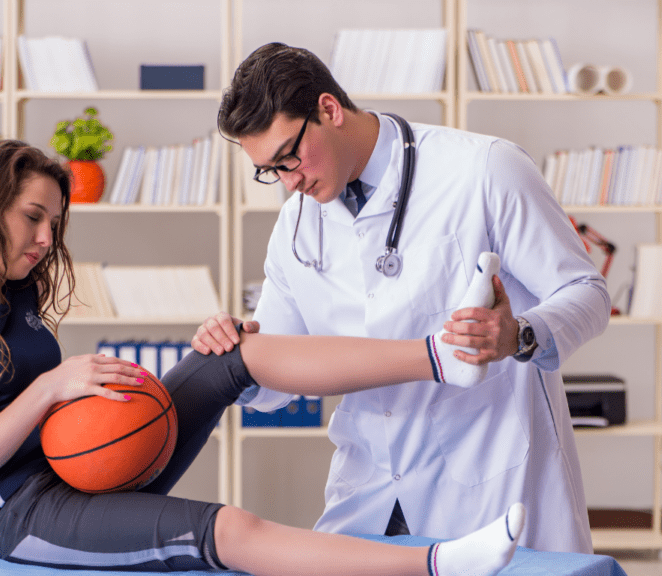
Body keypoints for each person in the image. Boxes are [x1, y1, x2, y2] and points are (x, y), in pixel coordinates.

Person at [0, 139, 526, 576]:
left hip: (84, 464)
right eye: (32, 217)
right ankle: (439, 564)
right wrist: (51, 389)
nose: (47, 238)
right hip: (30, 515)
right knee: (230, 527)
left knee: (233, 353)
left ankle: (442, 355)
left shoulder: (10, 288)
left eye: (56, 222)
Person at [196, 42, 612, 554]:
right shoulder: (295, 227)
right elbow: (276, 382)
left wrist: (521, 334)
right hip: (368, 483)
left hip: (489, 476)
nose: (289, 183)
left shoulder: (483, 168)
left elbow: (586, 292)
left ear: (329, 109)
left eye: (290, 158)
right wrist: (234, 354)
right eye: (270, 171)